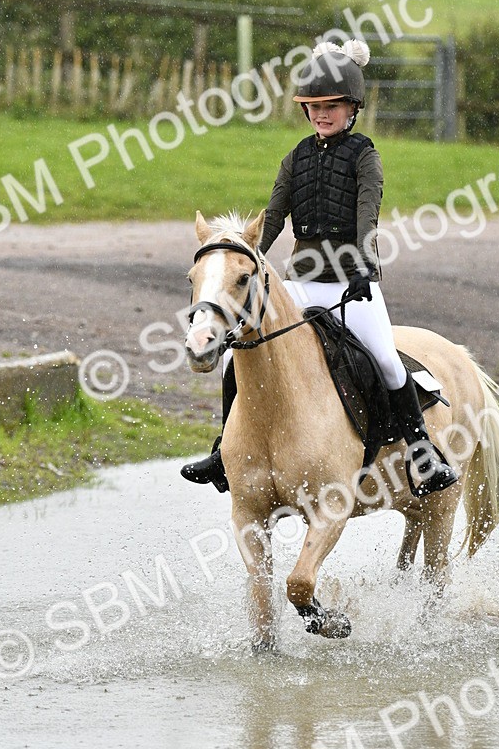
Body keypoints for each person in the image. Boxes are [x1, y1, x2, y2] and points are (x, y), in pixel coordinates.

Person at [181, 38, 458, 497]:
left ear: (353, 108)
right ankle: (222, 452)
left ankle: (420, 451)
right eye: (314, 107)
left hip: (351, 283)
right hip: (300, 285)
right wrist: (244, 256)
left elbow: (367, 215)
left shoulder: (365, 156)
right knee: (234, 353)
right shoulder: (295, 159)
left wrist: (366, 266)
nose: (323, 114)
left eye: (333, 106)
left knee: (388, 361)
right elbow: (269, 222)